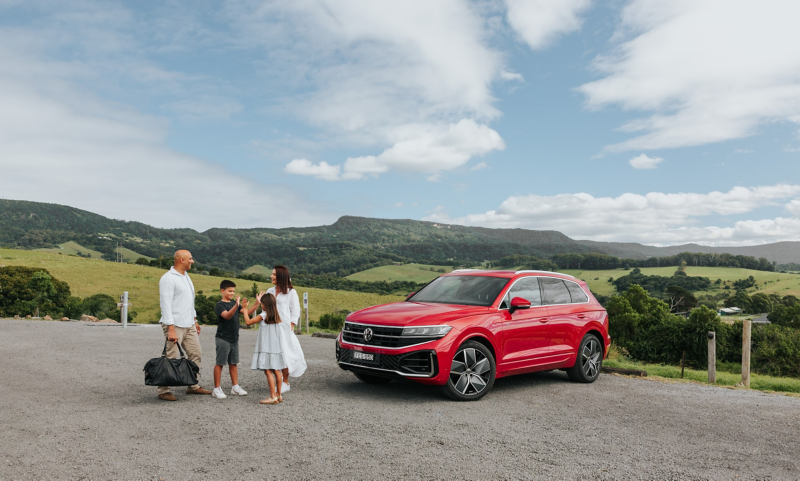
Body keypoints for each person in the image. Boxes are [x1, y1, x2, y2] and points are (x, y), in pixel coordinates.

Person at [156, 249, 211, 401]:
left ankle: (192, 385)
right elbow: (165, 305)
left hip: (189, 323)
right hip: (175, 324)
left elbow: (188, 301)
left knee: (196, 354)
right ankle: (163, 390)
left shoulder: (186, 276)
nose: (192, 261)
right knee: (171, 357)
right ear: (181, 260)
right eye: (190, 259)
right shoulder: (168, 278)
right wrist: (170, 329)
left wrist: (195, 320)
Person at [257, 265, 307, 392]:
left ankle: (285, 382)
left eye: (274, 274)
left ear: (281, 276)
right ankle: (277, 381)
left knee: (285, 354)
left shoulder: (291, 292)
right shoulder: (270, 290)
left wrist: (290, 327)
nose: (271, 276)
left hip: (284, 329)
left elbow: (295, 311)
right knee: (274, 353)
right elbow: (266, 309)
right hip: (270, 328)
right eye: (272, 274)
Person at [242, 294, 285, 405]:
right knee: (277, 371)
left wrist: (245, 310)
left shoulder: (264, 315)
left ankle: (272, 397)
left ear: (265, 305)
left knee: (268, 370)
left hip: (267, 347)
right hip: (276, 348)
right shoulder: (276, 316)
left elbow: (248, 322)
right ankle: (279, 394)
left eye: (261, 303)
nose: (261, 305)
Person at [211, 280, 248, 399]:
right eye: (230, 291)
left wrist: (256, 304)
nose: (232, 293)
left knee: (233, 363)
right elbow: (227, 316)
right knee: (220, 363)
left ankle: (235, 387)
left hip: (234, 338)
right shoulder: (220, 305)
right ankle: (216, 388)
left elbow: (246, 313)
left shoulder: (234, 303)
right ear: (222, 291)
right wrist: (236, 306)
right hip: (223, 338)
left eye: (233, 291)